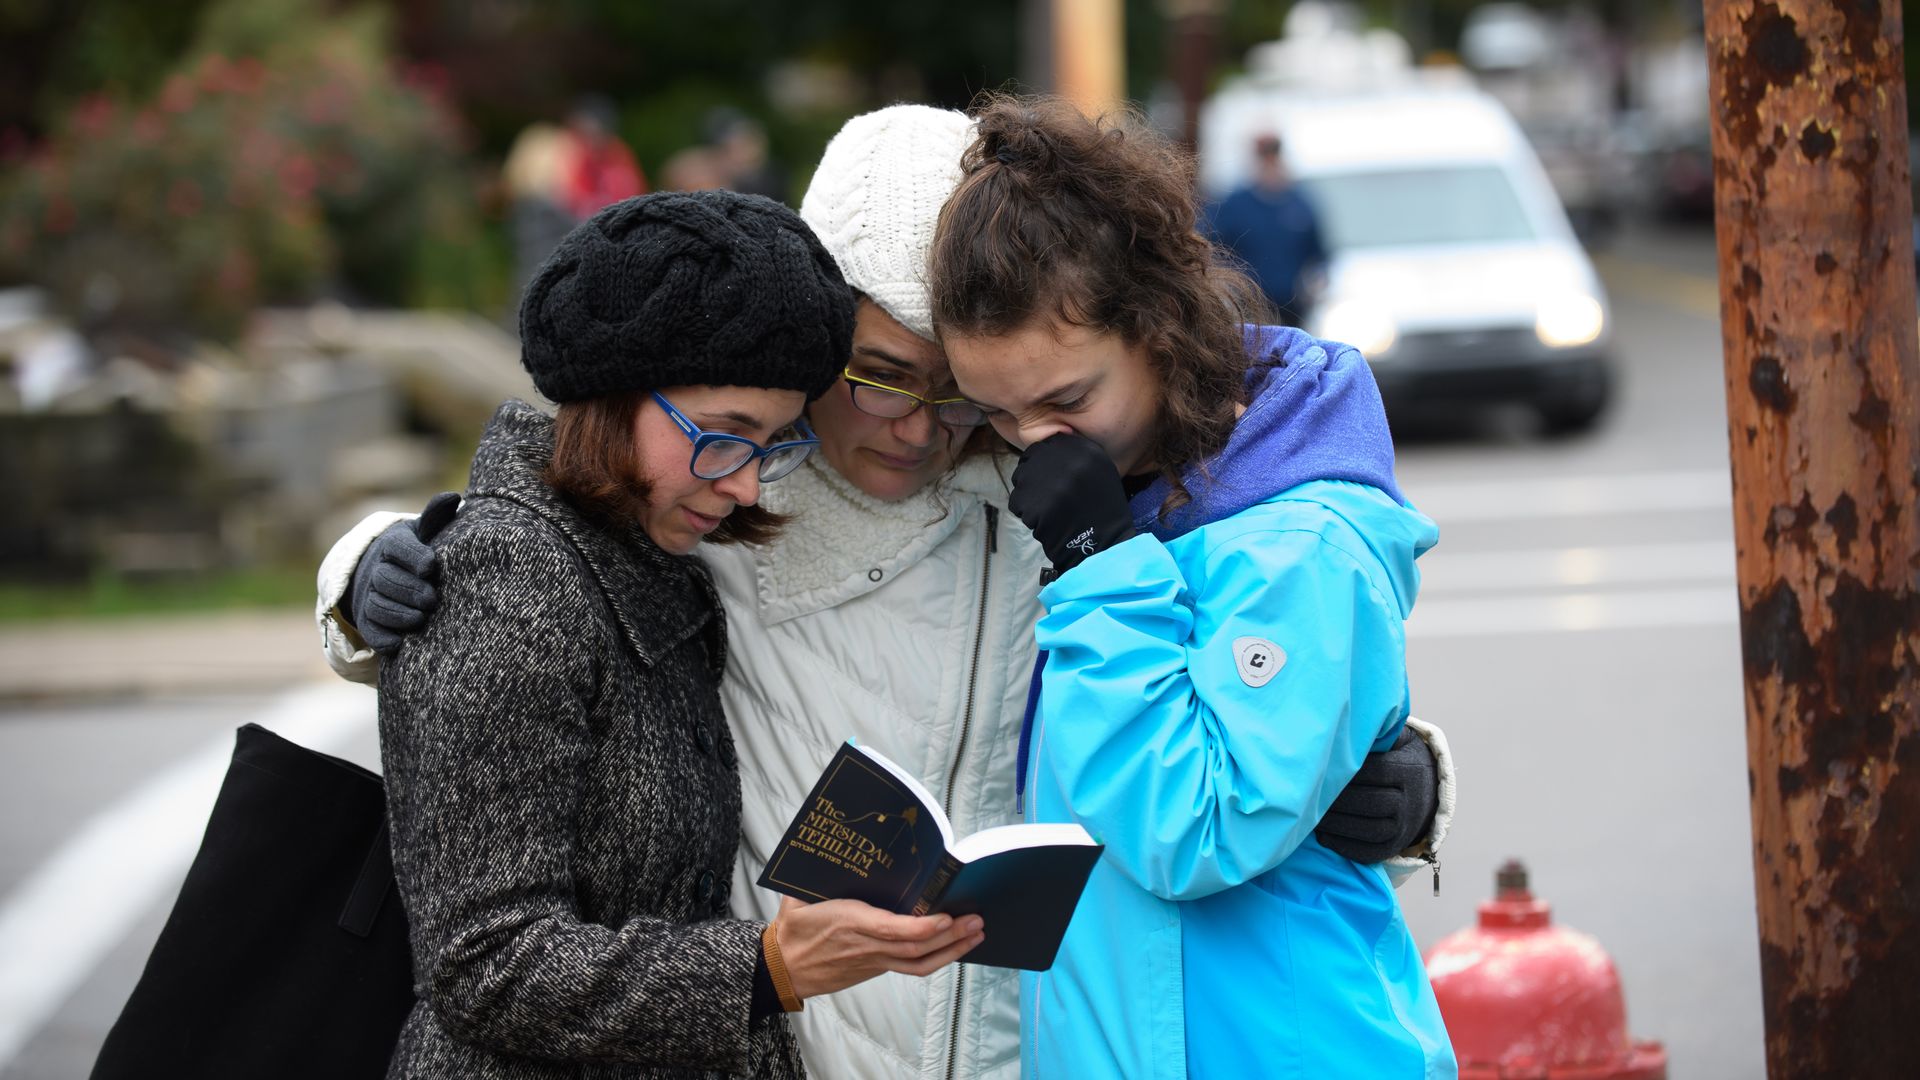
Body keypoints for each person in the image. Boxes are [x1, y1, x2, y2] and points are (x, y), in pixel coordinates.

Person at [319, 108, 1454, 1080]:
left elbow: (1260, 662)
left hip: (1030, 1044)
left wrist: (1409, 785)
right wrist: (364, 572)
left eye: (959, 394)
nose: (919, 427)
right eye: (877, 377)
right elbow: (548, 539)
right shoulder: (734, 485)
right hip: (797, 1038)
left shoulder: (1058, 489)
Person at [370, 190, 981, 1080]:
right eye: (724, 435)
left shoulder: (647, 561)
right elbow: (483, 961)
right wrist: (771, 967)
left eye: (770, 445)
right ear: (612, 393)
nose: (741, 484)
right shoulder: (508, 580)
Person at [927, 95, 1455, 1077]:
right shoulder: (1134, 481)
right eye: (998, 414)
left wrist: (1098, 567)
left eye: (1066, 401)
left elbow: (1191, 832)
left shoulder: (1296, 539)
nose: (1037, 446)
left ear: (1160, 330)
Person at [1205, 132, 1327, 325]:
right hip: (1250, 307)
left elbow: (1317, 254)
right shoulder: (1235, 205)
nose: (1269, 162)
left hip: (1293, 306)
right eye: (1264, 156)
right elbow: (1215, 247)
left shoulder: (1299, 204)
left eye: (1273, 155)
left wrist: (1312, 285)